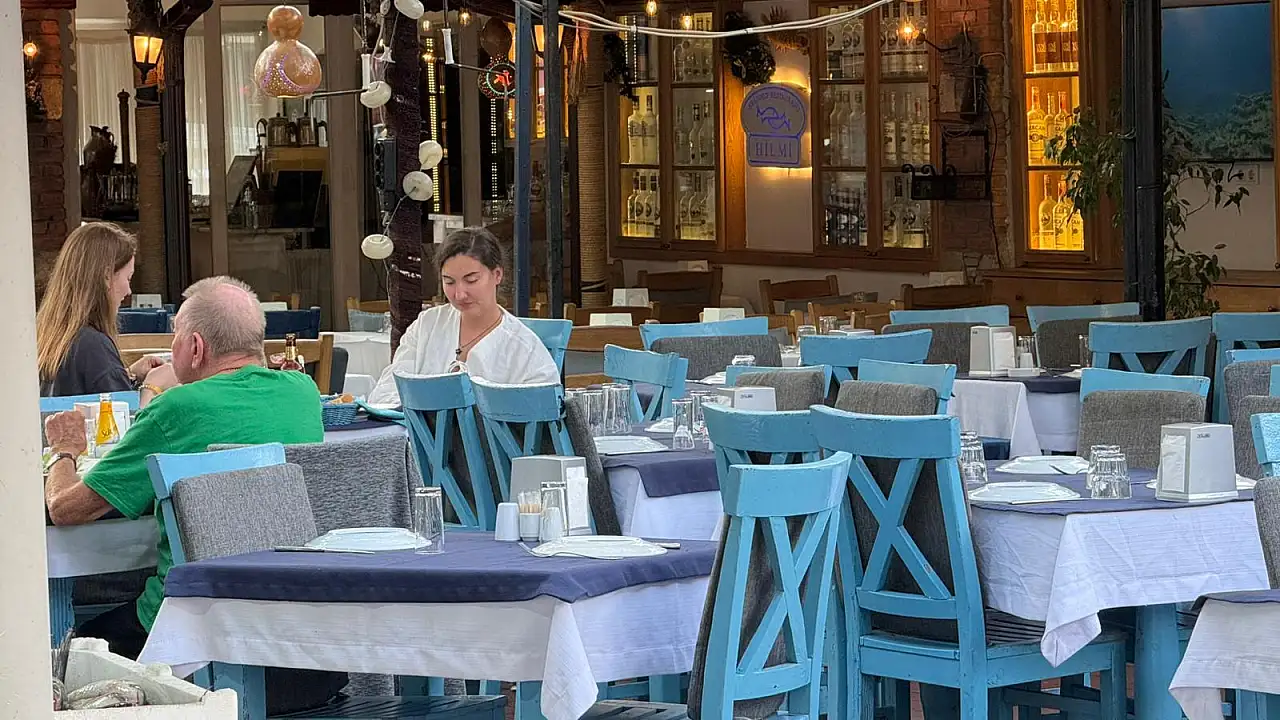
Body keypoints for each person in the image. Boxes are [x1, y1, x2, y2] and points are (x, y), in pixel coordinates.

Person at [43, 276, 343, 713]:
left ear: (196, 347)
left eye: (176, 337)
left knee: (58, 661)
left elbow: (65, 509)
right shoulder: (302, 392)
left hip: (183, 645)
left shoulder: (177, 408)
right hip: (299, 648)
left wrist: (64, 450)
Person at [367, 227, 559, 406]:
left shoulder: (524, 348)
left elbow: (543, 410)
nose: (459, 294)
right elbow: (387, 392)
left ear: (497, 275)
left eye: (471, 280)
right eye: (449, 282)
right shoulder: (427, 325)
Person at [37, 222, 168, 398]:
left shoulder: (50, 334)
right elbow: (125, 413)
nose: (129, 291)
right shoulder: (93, 345)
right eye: (128, 278)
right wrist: (153, 387)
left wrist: (125, 374)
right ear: (106, 276)